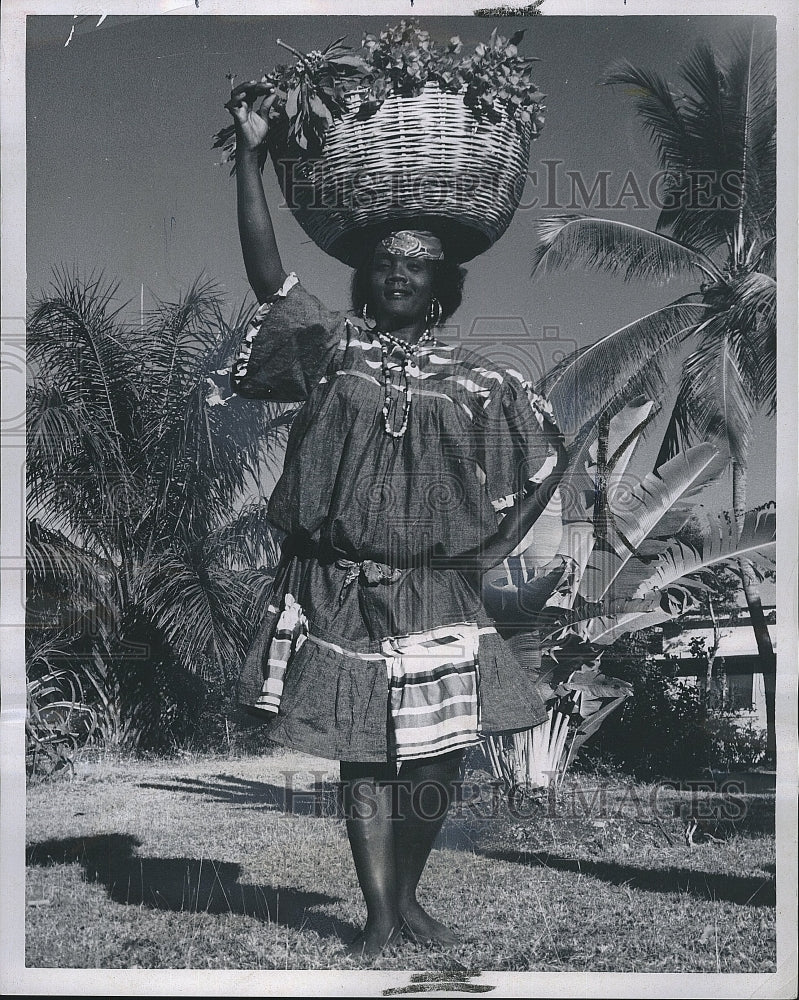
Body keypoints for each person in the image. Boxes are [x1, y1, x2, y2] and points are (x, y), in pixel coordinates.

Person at [225, 85, 567, 957]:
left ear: (442, 282)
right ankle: (377, 915)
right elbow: (270, 279)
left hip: (435, 588)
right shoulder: (333, 347)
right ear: (365, 279)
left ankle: (407, 899)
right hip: (341, 583)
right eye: (383, 263)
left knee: (441, 753)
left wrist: (483, 541)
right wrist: (255, 157)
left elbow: (538, 456)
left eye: (416, 263)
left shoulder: (480, 377)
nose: (398, 273)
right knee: (366, 751)